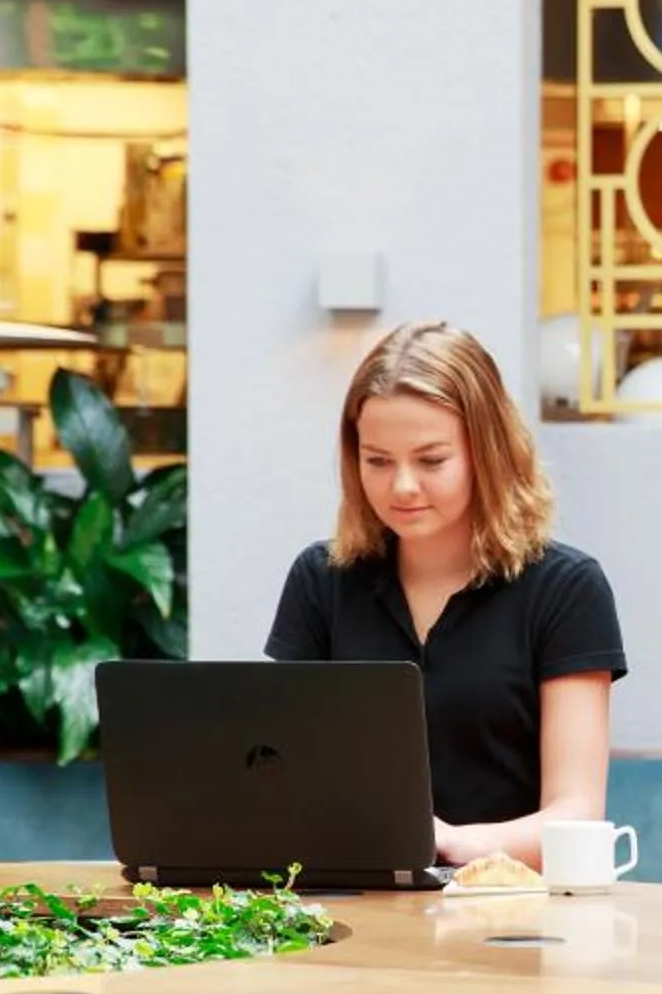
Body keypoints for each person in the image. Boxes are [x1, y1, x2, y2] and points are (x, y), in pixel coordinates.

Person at [265, 320, 625, 866]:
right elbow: (282, 774)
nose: (402, 486)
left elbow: (575, 813)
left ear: (488, 452)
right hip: (352, 908)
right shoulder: (322, 580)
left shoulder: (566, 589)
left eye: (431, 460)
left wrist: (452, 842)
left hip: (510, 918)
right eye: (378, 461)